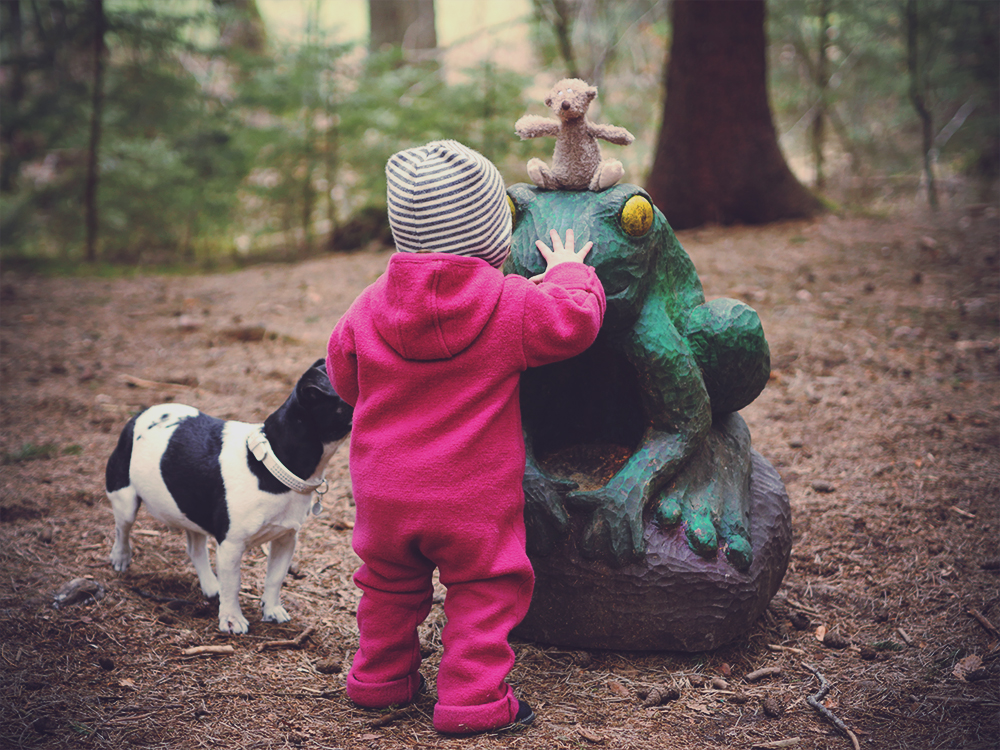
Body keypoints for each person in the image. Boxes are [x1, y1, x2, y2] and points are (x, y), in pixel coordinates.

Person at [326, 139, 605, 735]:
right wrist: (569, 272)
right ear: (496, 240)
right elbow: (574, 322)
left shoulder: (366, 307)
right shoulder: (509, 305)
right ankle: (474, 702)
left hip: (384, 493)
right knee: (484, 589)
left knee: (386, 585)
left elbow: (343, 379)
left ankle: (379, 680)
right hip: (470, 500)